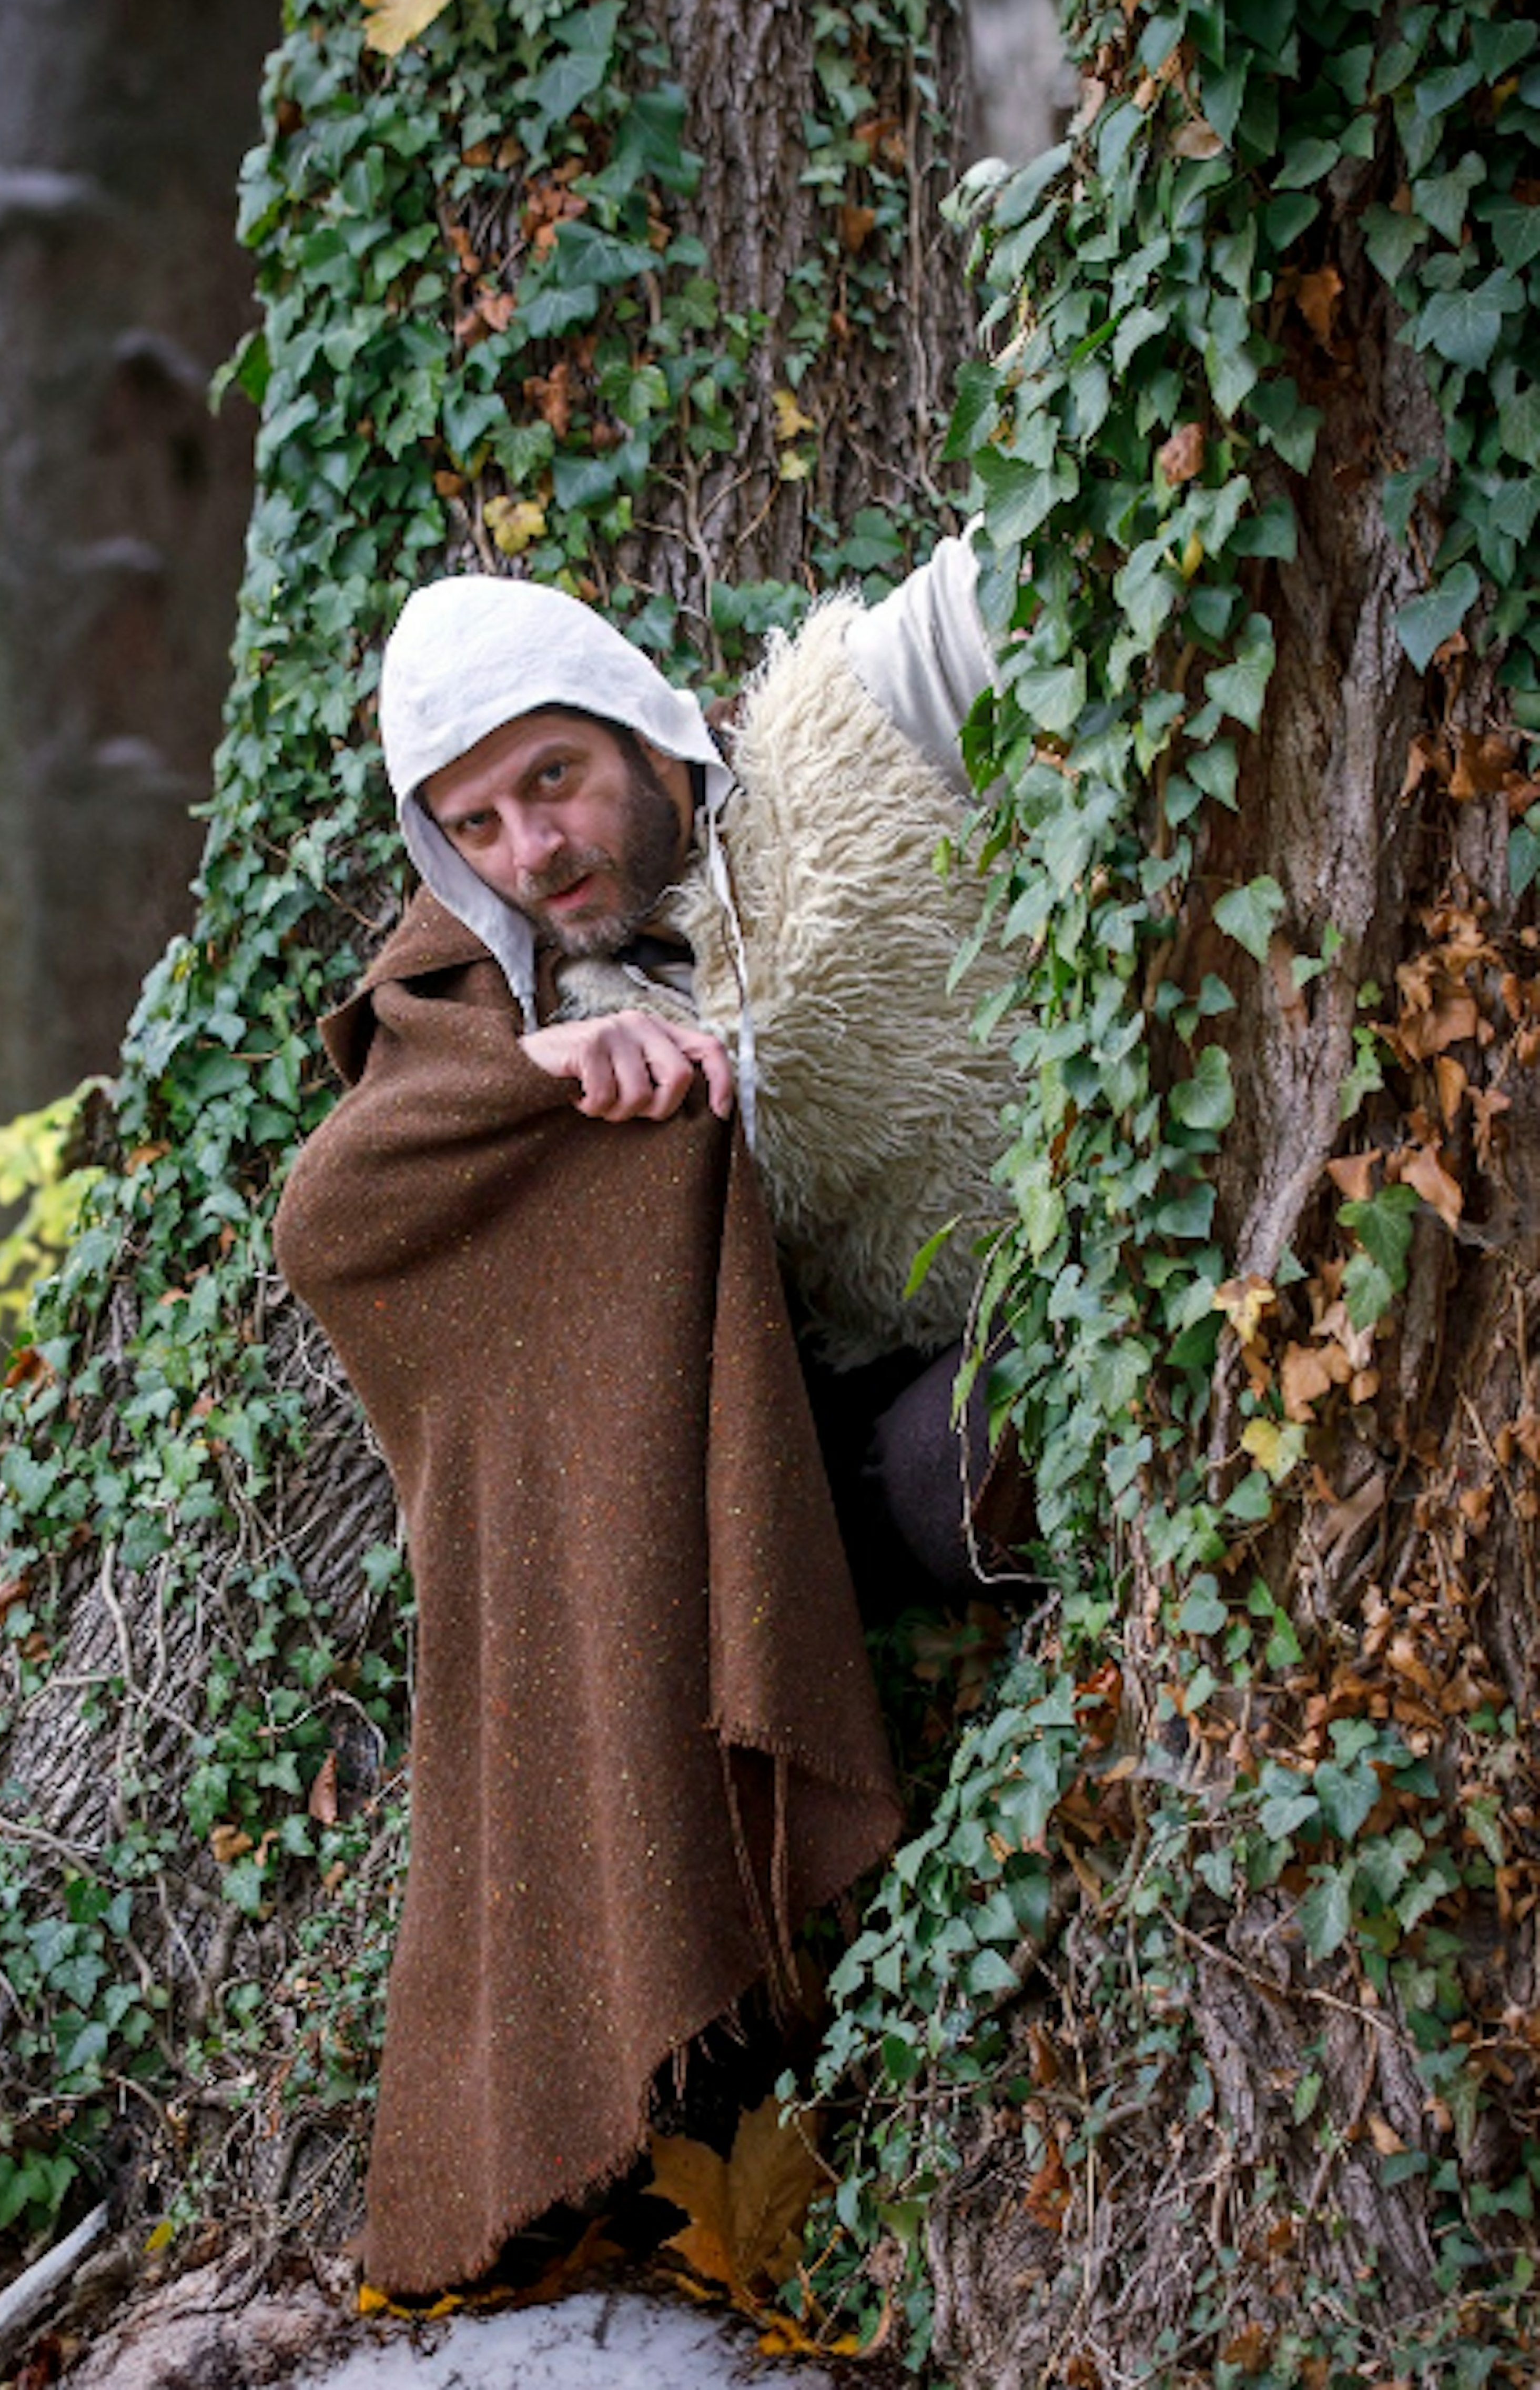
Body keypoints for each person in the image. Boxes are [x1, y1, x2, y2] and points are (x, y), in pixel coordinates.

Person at [272, 532, 1025, 2300]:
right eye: (478, 825)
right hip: (830, 1444)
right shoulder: (522, 984)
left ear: (646, 730)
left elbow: (1060, 531)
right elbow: (337, 1215)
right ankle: (659, 2083)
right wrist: (528, 1074)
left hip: (1079, 1286)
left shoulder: (851, 731)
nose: (536, 851)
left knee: (1008, 1454)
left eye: (557, 778)